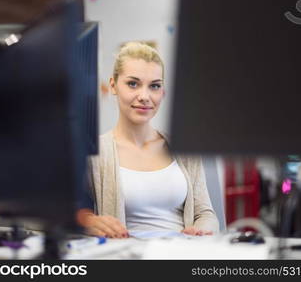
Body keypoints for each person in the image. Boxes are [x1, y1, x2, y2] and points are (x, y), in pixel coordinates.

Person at [76, 42, 219, 238]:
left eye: (154, 86)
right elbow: (62, 213)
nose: (144, 96)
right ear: (113, 85)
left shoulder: (182, 150)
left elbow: (205, 213)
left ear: (163, 91)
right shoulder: (94, 151)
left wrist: (202, 230)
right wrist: (87, 221)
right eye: (133, 84)